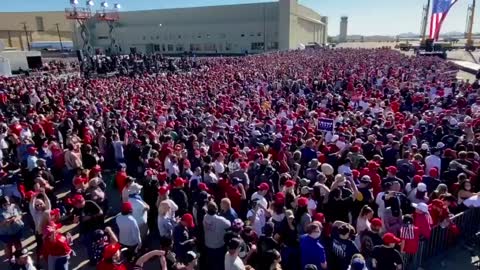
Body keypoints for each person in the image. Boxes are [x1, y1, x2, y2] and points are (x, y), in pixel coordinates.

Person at [204, 201, 231, 270]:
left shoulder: (205, 217)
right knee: (220, 265)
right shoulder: (220, 219)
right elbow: (229, 224)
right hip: (218, 247)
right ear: (216, 210)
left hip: (208, 245)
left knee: (211, 264)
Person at [0, 196, 24, 261]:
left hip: (16, 230)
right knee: (8, 247)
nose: (7, 205)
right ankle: (10, 260)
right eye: (5, 204)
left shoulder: (14, 206)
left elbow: (20, 214)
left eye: (8, 203)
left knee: (18, 244)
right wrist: (4, 222)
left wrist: (17, 218)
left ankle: (20, 258)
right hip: (5, 233)